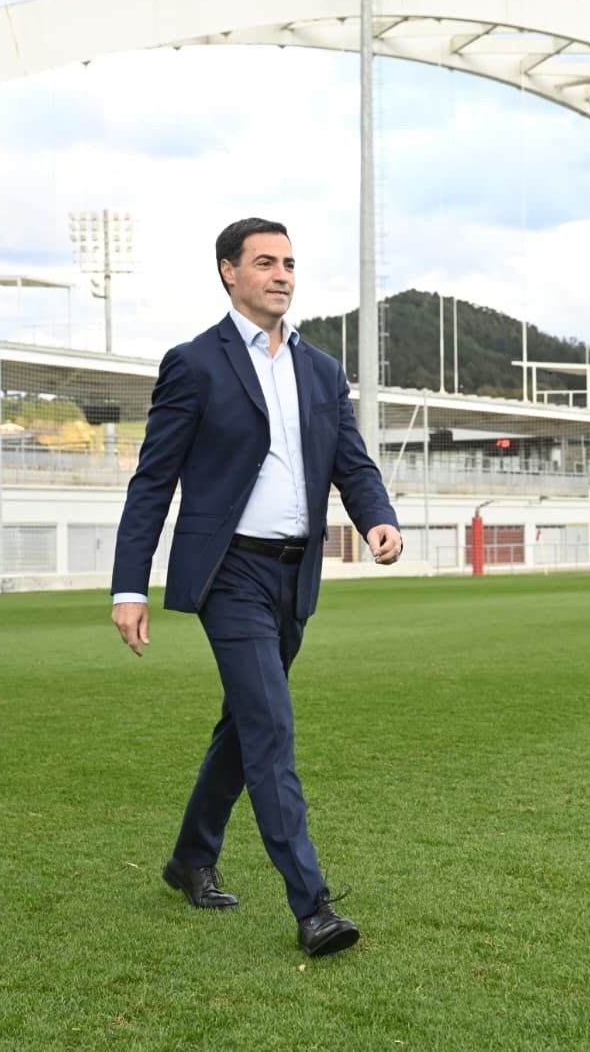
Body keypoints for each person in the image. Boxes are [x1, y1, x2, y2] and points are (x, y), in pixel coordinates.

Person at [111, 217, 403, 958]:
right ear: (228, 273)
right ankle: (313, 907)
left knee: (245, 727)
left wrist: (378, 520)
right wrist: (129, 587)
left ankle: (189, 858)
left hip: (296, 573)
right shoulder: (194, 364)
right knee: (271, 728)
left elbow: (351, 461)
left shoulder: (322, 370)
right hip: (229, 572)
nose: (282, 274)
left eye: (290, 263)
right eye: (266, 262)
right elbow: (154, 482)